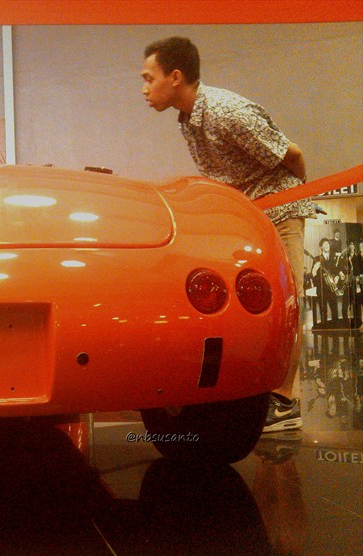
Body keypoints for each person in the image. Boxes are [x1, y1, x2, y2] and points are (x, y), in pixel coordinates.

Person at [141, 36, 311, 432]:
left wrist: (294, 199)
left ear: (175, 77)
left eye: (149, 78)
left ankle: (285, 402)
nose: (144, 88)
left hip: (280, 212)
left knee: (289, 305)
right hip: (248, 219)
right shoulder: (189, 119)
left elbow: (292, 154)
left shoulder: (226, 111)